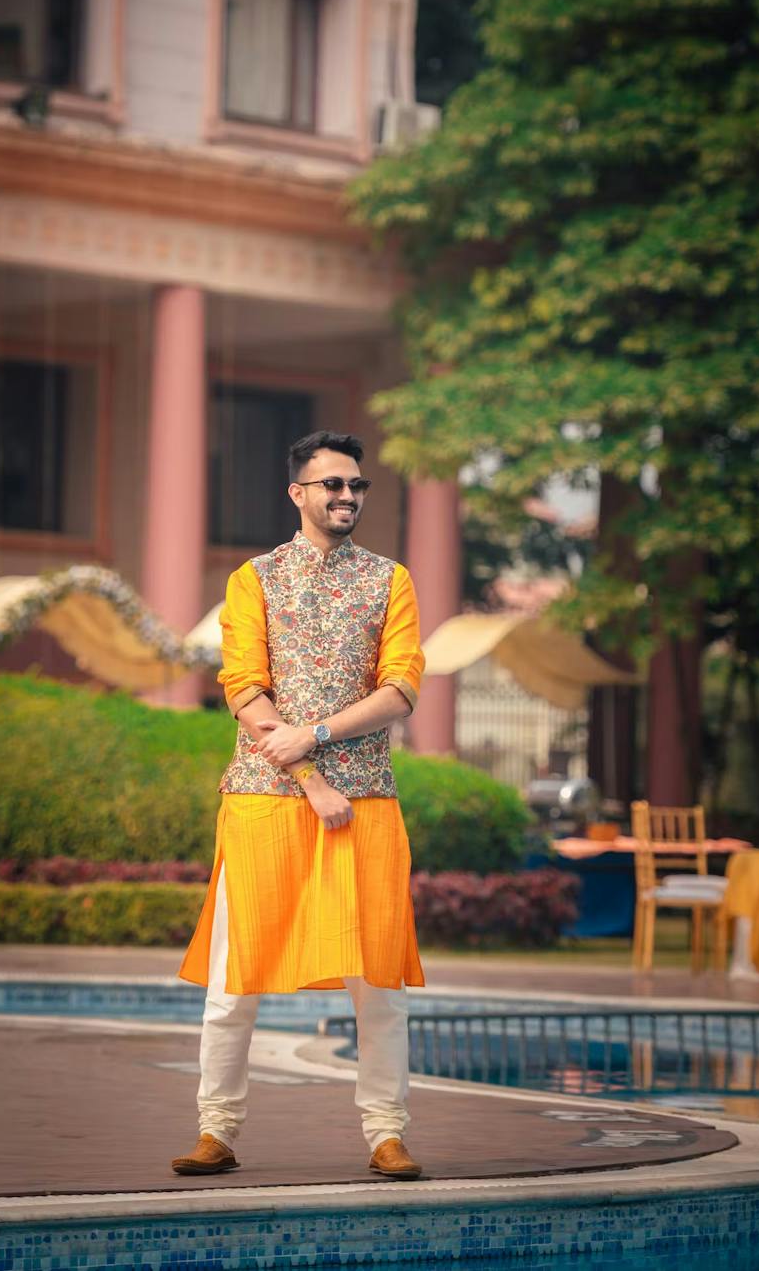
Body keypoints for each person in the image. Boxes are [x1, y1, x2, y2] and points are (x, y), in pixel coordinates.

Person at [173, 429, 426, 1180]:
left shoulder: (390, 580)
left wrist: (314, 733)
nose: (347, 496)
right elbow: (242, 683)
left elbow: (402, 686)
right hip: (263, 800)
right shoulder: (255, 578)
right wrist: (311, 777)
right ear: (299, 494)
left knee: (377, 985)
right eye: (332, 485)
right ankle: (216, 1129)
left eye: (357, 486)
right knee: (232, 984)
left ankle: (386, 1133)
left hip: (366, 802)